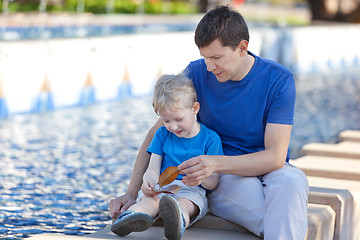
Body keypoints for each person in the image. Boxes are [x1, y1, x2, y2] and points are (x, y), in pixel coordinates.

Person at [109, 5, 309, 240]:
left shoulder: (279, 80)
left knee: (293, 180)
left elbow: (275, 157)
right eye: (205, 57)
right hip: (225, 177)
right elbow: (157, 133)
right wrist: (131, 194)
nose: (209, 66)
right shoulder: (196, 73)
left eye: (216, 58)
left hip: (253, 167)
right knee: (278, 220)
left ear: (242, 48)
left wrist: (214, 162)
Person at [110, 73, 222, 240]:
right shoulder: (162, 135)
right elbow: (153, 169)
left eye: (178, 119)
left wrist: (200, 177)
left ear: (195, 109)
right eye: (166, 121)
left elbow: (213, 182)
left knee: (186, 203)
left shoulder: (210, 139)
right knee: (151, 200)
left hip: (191, 188)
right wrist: (148, 181)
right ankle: (132, 217)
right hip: (163, 186)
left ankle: (178, 221)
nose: (173, 126)